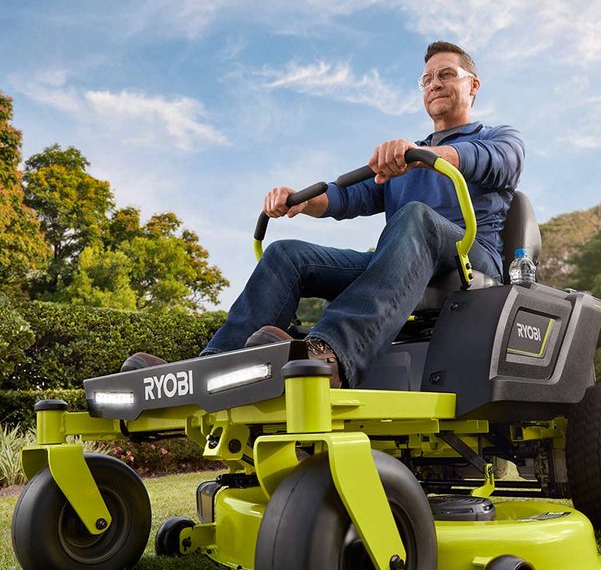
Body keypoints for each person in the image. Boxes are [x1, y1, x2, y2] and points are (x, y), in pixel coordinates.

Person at [122, 41, 524, 388]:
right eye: (427, 78)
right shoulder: (403, 160)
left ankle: (330, 353)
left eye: (446, 74)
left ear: (472, 85)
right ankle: (214, 365)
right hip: (401, 261)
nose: (434, 83)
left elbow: (492, 162)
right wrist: (300, 201)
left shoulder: (497, 138)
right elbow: (351, 196)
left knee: (415, 215)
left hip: (469, 258)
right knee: (286, 255)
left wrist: (427, 157)